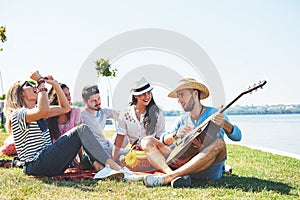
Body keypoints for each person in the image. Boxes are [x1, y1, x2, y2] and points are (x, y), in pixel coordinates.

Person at [3, 71, 133, 180]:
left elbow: (65, 108)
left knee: (82, 131)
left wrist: (55, 85)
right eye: (28, 85)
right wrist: (41, 83)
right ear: (21, 93)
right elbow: (42, 110)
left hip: (47, 162)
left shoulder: (40, 113)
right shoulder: (18, 115)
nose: (33, 86)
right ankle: (113, 168)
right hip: (36, 165)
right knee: (81, 129)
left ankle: (107, 169)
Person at [141, 78, 242, 188]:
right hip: (184, 165)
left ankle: (168, 177)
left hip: (207, 168)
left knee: (219, 143)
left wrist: (225, 124)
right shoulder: (182, 119)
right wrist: (175, 135)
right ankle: (172, 175)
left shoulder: (214, 113)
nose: (178, 100)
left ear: (194, 94)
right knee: (147, 141)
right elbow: (164, 140)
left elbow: (238, 137)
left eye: (182, 95)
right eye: (178, 96)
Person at [112, 77, 165, 161]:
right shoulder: (125, 113)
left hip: (152, 153)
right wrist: (113, 158)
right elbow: (120, 138)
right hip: (135, 154)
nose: (147, 96)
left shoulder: (158, 112)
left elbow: (160, 136)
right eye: (143, 94)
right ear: (136, 96)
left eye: (149, 93)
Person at [80, 84, 128, 168]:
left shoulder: (103, 111)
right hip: (96, 150)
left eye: (98, 98)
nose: (97, 102)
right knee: (127, 156)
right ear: (85, 101)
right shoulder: (81, 114)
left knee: (130, 153)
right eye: (93, 101)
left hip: (108, 145)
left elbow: (121, 115)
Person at [46, 83, 83, 167]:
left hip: (71, 159)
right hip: (53, 158)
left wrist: (81, 160)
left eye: (69, 95)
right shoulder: (49, 114)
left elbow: (78, 138)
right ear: (56, 98)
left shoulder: (75, 111)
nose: (69, 98)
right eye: (65, 95)